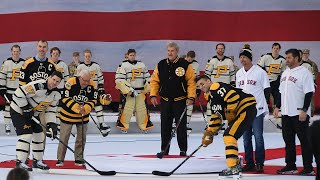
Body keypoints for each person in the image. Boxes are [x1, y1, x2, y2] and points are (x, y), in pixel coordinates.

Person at [196, 75, 257, 179]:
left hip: (245, 108)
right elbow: (216, 117)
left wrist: (230, 110)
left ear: (208, 81)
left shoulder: (215, 87)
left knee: (229, 136)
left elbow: (233, 96)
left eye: (202, 84)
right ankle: (234, 166)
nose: (201, 87)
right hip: (244, 110)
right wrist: (209, 132)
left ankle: (234, 168)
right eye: (199, 86)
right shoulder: (211, 98)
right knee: (228, 136)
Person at [150, 42, 196, 156]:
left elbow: (191, 81)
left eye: (172, 51)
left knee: (181, 126)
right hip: (165, 101)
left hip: (180, 101)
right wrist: (153, 95)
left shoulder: (185, 64)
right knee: (165, 126)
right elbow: (155, 81)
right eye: (168, 51)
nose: (170, 53)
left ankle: (183, 150)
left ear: (177, 52)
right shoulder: (161, 64)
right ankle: (164, 149)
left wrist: (191, 97)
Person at [274, 48, 315, 175]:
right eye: (286, 58)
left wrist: (304, 110)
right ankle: (290, 165)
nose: (287, 60)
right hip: (286, 113)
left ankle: (308, 167)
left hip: (299, 113)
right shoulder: (285, 73)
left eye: (289, 58)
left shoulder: (304, 72)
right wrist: (277, 107)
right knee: (288, 141)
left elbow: (309, 92)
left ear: (297, 58)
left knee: (304, 141)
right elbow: (281, 92)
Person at [10, 71, 62, 171]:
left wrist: (51, 124)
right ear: (49, 78)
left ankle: (37, 161)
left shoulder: (55, 94)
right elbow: (18, 93)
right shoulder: (38, 86)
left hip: (32, 114)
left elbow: (50, 110)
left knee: (39, 134)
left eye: (57, 81)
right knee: (26, 134)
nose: (54, 83)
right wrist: (25, 107)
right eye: (53, 79)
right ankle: (20, 162)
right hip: (18, 110)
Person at [56, 70, 108, 166]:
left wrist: (87, 108)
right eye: (84, 80)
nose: (86, 83)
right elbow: (64, 98)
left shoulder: (92, 84)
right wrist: (76, 107)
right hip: (67, 115)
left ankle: (79, 158)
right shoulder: (70, 82)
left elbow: (94, 99)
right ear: (79, 77)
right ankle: (60, 159)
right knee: (64, 138)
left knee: (81, 139)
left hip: (83, 116)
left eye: (88, 80)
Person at [236, 44, 270, 172]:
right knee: (246, 138)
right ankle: (249, 162)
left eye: (245, 57)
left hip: (257, 110)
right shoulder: (239, 73)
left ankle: (260, 163)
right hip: (243, 111)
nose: (242, 59)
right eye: (241, 57)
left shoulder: (260, 72)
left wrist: (263, 104)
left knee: (258, 137)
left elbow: (267, 90)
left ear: (250, 58)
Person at [115, 49, 153, 134]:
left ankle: (143, 126)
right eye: (130, 55)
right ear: (127, 55)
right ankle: (123, 126)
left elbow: (147, 78)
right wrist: (128, 90)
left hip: (140, 92)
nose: (132, 57)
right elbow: (119, 80)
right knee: (127, 110)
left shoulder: (142, 65)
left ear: (135, 55)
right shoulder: (123, 65)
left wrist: (148, 87)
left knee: (142, 110)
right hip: (129, 93)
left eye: (133, 55)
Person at [76, 49, 111, 136]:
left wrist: (101, 90)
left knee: (98, 106)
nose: (87, 58)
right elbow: (76, 79)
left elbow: (100, 78)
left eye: (89, 56)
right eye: (86, 56)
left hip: (94, 90)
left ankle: (101, 123)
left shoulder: (96, 66)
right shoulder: (80, 67)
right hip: (84, 90)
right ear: (83, 57)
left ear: (91, 56)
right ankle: (80, 126)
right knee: (83, 108)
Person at [204, 43, 235, 128]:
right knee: (211, 106)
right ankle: (210, 125)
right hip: (214, 88)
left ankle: (224, 125)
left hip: (225, 88)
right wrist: (207, 87)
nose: (220, 50)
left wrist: (233, 84)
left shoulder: (229, 61)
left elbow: (232, 74)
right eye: (219, 48)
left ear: (224, 50)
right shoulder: (212, 60)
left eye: (222, 48)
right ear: (216, 49)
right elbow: (207, 75)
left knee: (225, 106)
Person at [0, 44, 25, 135]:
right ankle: (7, 125)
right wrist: (2, 88)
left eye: (17, 51)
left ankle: (19, 125)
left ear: (20, 52)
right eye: (14, 51)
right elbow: (2, 76)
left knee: (20, 108)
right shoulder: (6, 63)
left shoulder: (24, 63)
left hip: (19, 90)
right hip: (9, 90)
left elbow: (25, 77)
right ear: (11, 52)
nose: (15, 53)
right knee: (8, 108)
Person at [257, 43, 286, 110]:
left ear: (279, 50)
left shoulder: (283, 60)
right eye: (274, 48)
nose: (275, 50)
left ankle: (276, 110)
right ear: (272, 49)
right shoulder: (265, 57)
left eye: (277, 48)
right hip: (265, 80)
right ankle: (264, 110)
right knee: (265, 96)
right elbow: (259, 68)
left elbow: (284, 73)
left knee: (278, 95)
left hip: (276, 80)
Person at [50, 47, 70, 127]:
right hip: (50, 88)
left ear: (59, 55)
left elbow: (67, 78)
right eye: (54, 53)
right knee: (51, 107)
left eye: (57, 54)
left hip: (61, 89)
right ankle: (50, 124)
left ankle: (57, 124)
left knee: (59, 107)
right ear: (51, 53)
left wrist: (66, 89)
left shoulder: (63, 64)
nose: (55, 55)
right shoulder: (48, 63)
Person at [184, 50, 200, 135]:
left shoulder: (196, 65)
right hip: (182, 88)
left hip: (191, 88)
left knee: (189, 106)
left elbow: (197, 77)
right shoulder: (181, 62)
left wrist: (198, 88)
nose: (189, 60)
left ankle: (186, 124)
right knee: (180, 106)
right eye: (188, 58)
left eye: (191, 59)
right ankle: (176, 124)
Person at [302, 49, 318, 117]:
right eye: (304, 53)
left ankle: (311, 113)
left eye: (307, 53)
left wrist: (312, 82)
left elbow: (315, 74)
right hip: (300, 84)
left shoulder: (312, 64)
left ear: (309, 54)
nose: (305, 55)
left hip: (310, 83)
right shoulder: (299, 63)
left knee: (310, 98)